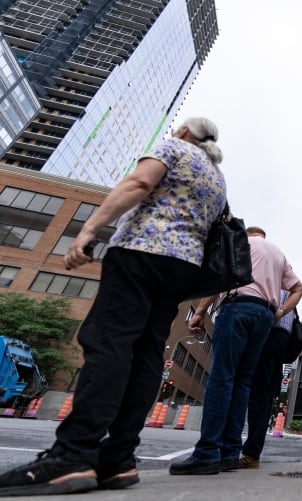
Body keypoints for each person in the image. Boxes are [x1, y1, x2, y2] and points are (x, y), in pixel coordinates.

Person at [0, 117, 226, 496]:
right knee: (146, 354)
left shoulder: (173, 148)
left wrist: (89, 230)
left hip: (141, 252)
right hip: (183, 268)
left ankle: (71, 456)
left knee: (109, 341)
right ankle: (118, 459)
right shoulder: (218, 179)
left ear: (185, 131)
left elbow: (138, 183)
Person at [169, 226, 302, 475]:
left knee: (222, 378)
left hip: (237, 307)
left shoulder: (236, 245)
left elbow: (215, 283)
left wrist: (199, 313)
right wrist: (281, 311)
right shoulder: (278, 254)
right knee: (242, 383)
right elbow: (299, 289)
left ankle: (207, 453)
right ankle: (230, 453)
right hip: (264, 315)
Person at [237, 287, 295, 469]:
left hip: (270, 335)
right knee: (264, 396)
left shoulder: (275, 288)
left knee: (255, 393)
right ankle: (252, 452)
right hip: (281, 341)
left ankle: (249, 452)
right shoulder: (291, 294)